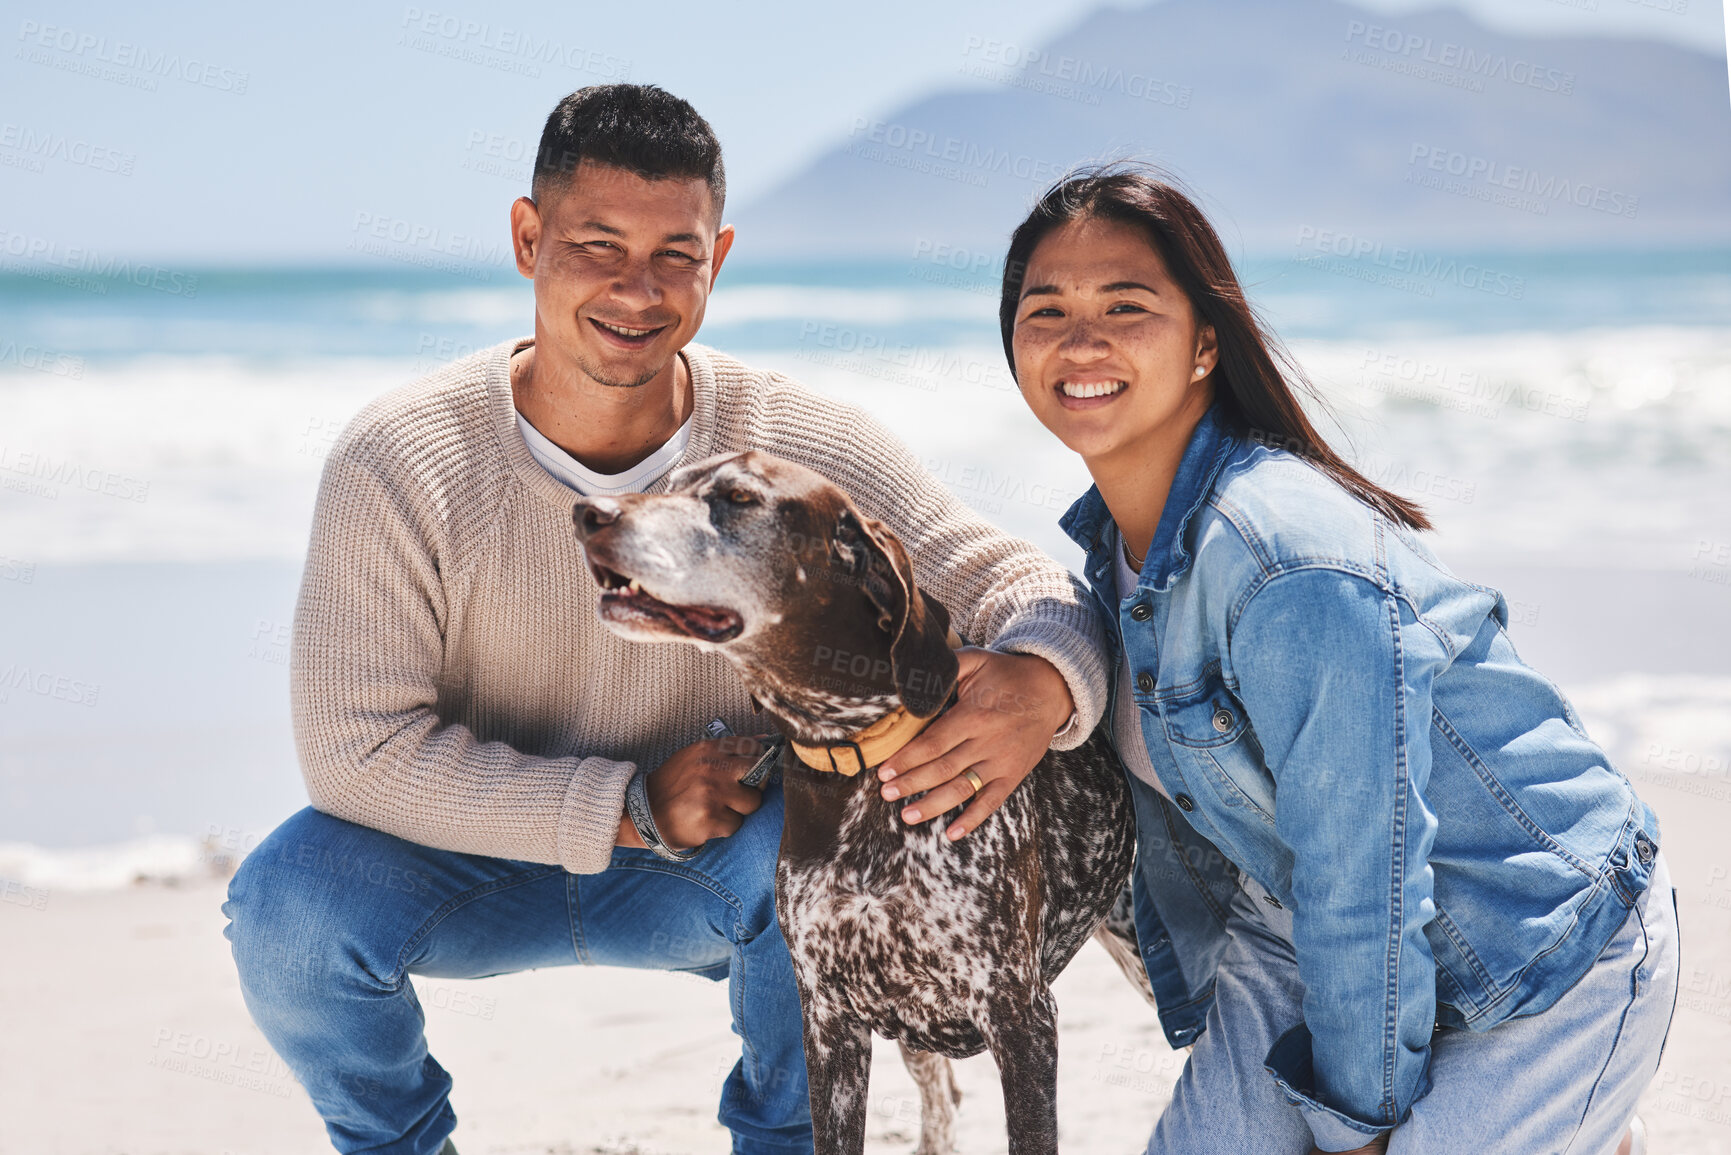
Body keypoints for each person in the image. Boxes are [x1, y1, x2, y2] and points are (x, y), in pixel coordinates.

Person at [221, 84, 1108, 1155]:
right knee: (285, 906)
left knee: (824, 842)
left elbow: (1009, 574)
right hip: (468, 866)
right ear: (527, 237)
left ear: (717, 258)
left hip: (724, 870)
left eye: (676, 256)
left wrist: (1046, 681)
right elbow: (355, 758)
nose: (638, 290)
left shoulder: (793, 448)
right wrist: (628, 806)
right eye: (598, 244)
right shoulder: (401, 460)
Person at [967, 163, 1678, 1154]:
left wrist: (1357, 1124)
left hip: (1537, 943)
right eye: (1047, 310)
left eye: (1126, 306)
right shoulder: (1118, 546)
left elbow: (1367, 874)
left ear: (1205, 340)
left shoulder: (1284, 563)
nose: (1081, 341)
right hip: (1300, 935)